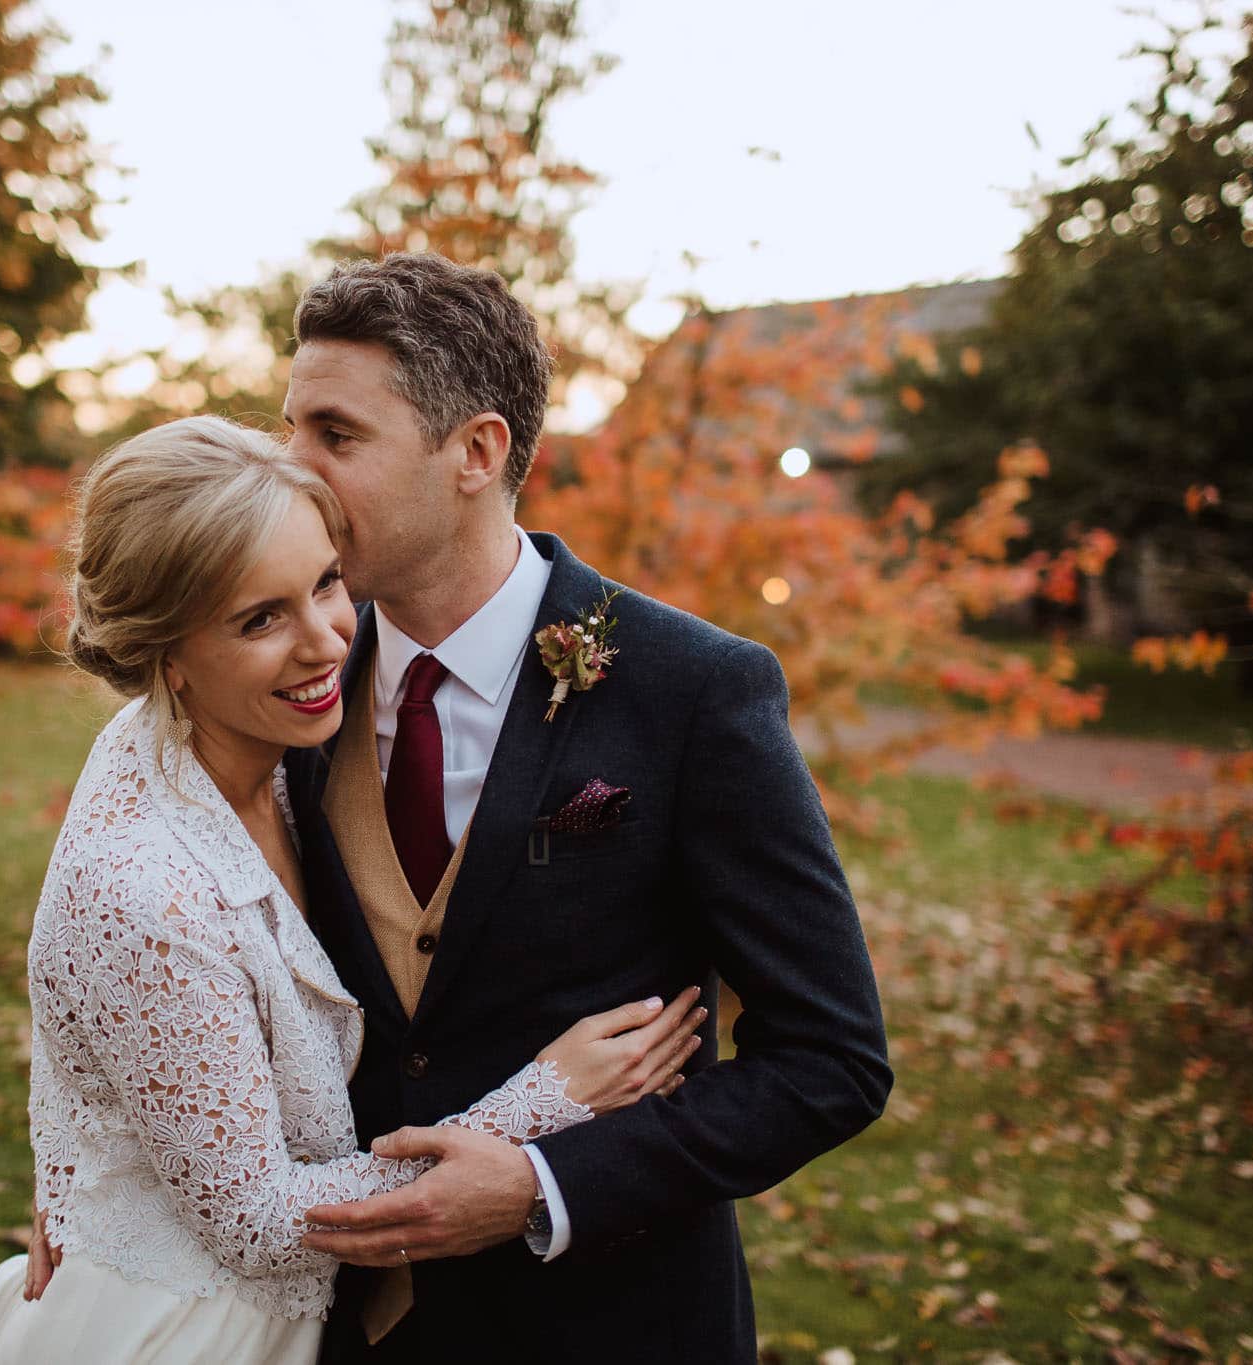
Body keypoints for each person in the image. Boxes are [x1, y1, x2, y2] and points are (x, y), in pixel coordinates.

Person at [0, 416, 705, 1365]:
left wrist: (91, 1161)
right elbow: (260, 1220)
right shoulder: (146, 886)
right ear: (164, 656)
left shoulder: (266, 754)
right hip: (185, 1335)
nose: (328, 642)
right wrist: (542, 1101)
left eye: (324, 583)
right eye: (259, 619)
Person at [272, 253, 893, 1363]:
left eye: (335, 435)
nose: (291, 472)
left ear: (475, 452)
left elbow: (831, 1060)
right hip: (347, 1326)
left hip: (612, 1322)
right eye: (287, 430)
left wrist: (536, 1183)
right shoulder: (289, 681)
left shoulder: (690, 690)